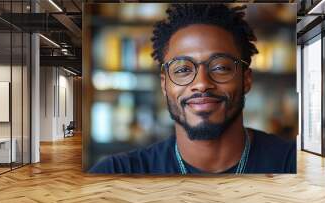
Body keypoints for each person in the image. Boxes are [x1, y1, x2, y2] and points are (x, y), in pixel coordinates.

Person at [89, 3, 296, 174]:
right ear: (164, 84)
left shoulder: (294, 165)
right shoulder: (116, 174)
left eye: (220, 67)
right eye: (182, 70)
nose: (202, 83)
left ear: (246, 79)